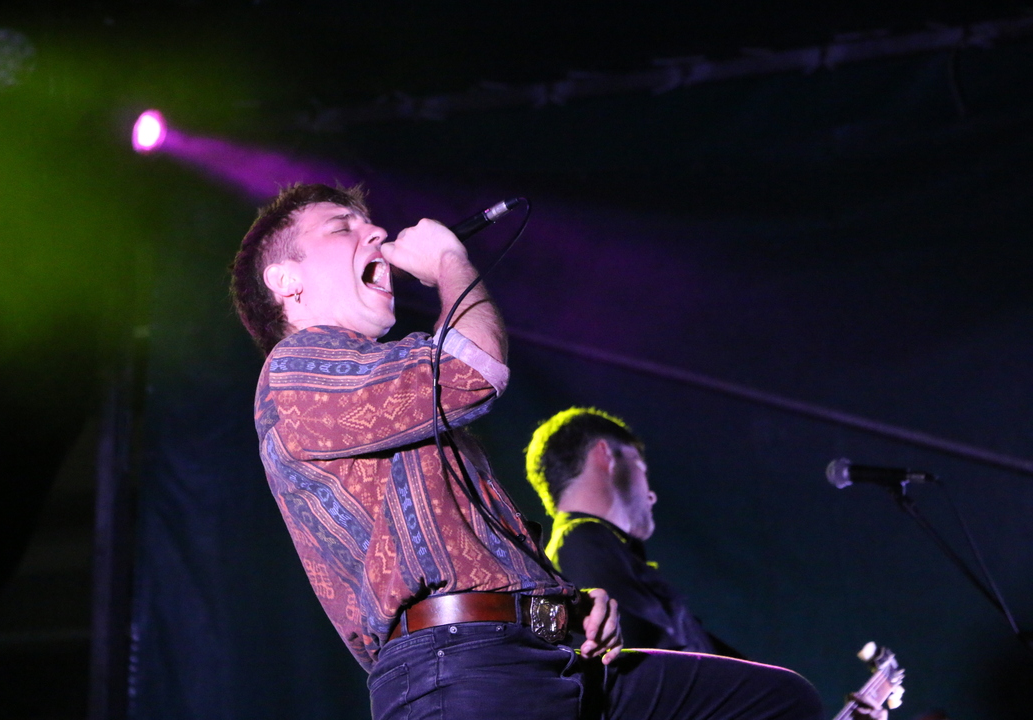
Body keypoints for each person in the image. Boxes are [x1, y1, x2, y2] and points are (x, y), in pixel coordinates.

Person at [230, 182, 824, 720]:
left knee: (773, 701)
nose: (376, 232)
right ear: (285, 280)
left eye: (368, 222)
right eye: (342, 227)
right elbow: (473, 368)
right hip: (460, 673)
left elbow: (463, 544)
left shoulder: (385, 382)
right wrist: (448, 261)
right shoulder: (297, 368)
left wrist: (567, 604)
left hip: (536, 656)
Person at [525, 407, 739, 656]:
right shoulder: (583, 540)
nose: (652, 495)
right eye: (640, 467)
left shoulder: (583, 545)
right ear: (605, 454)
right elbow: (648, 656)